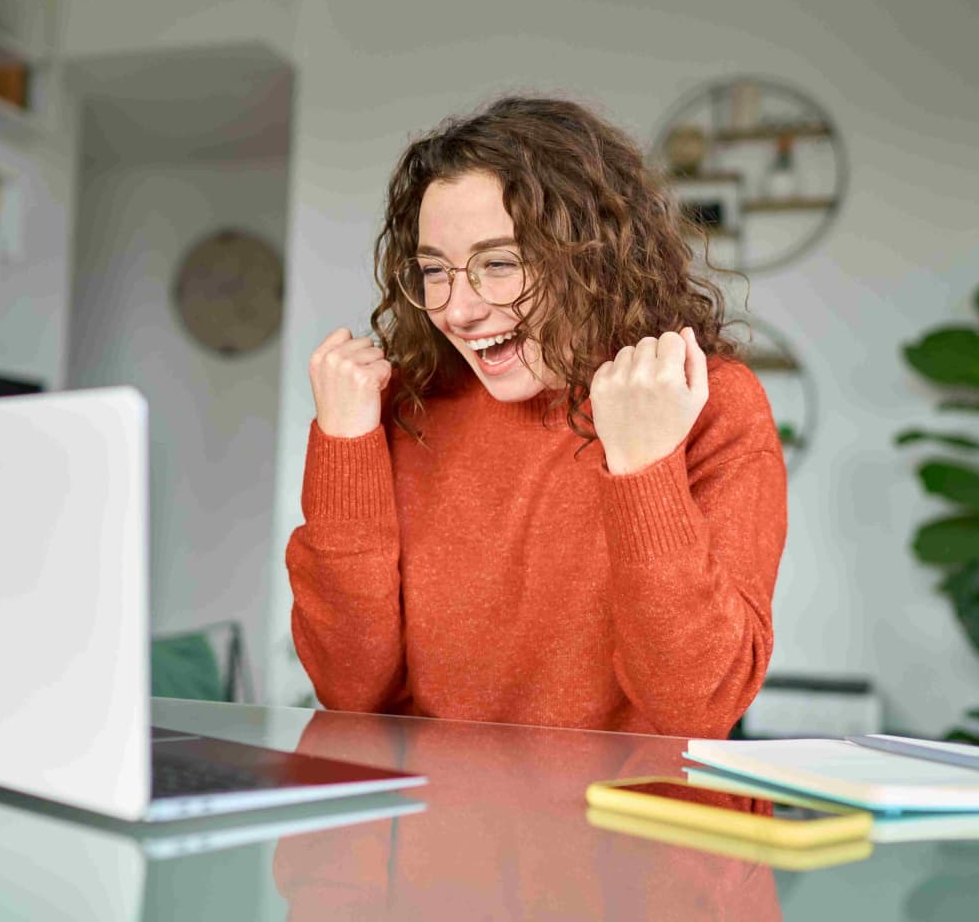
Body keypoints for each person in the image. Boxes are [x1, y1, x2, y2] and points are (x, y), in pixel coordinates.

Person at [286, 95, 787, 738]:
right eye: (434, 270)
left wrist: (643, 467)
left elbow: (694, 704)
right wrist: (344, 446)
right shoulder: (401, 409)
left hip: (636, 831)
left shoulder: (709, 402)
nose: (459, 309)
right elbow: (348, 691)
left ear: (594, 255)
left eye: (499, 264)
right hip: (445, 829)